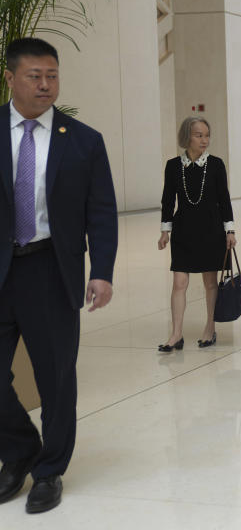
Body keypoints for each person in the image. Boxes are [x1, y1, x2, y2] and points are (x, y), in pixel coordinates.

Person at [0, 38, 118, 513]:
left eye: (52, 75)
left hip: (52, 269)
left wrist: (103, 271)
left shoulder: (84, 140)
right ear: (10, 77)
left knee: (56, 379)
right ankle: (20, 448)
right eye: (34, 76)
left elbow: (103, 211)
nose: (46, 85)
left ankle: (49, 471)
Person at [158, 117, 236, 350]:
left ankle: (210, 328)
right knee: (179, 283)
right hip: (183, 230)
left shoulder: (216, 164)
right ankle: (176, 334)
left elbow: (224, 199)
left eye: (206, 135)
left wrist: (229, 230)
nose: (204, 140)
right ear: (186, 137)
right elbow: (167, 201)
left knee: (210, 282)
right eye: (198, 135)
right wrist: (165, 231)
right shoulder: (173, 166)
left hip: (211, 230)